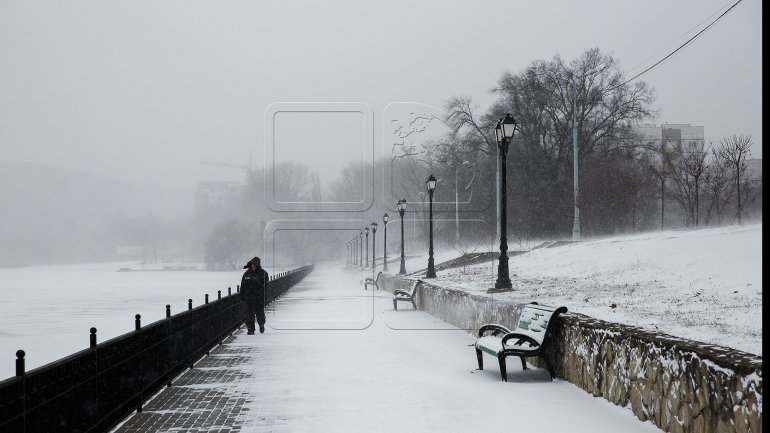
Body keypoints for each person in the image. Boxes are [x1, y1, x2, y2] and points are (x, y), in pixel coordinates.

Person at [240, 256, 269, 334]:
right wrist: (242, 296)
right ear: (251, 265)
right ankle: (250, 329)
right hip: (248, 298)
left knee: (260, 312)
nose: (254, 266)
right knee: (249, 314)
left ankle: (261, 324)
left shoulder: (263, 273)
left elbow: (265, 286)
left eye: (255, 265)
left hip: (259, 297)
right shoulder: (246, 274)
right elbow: (242, 286)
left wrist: (263, 295)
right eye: (253, 264)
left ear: (258, 265)